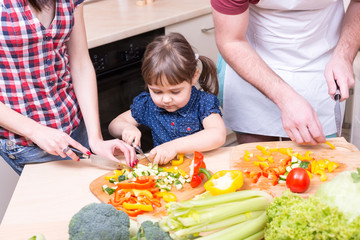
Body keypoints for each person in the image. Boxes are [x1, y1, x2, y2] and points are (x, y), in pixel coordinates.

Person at [0, 0, 137, 175]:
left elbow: (80, 64)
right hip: (27, 141)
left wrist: (96, 139)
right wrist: (36, 131)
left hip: (74, 126)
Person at [211, 0, 360, 145]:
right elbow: (231, 41)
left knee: (317, 161)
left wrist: (344, 55)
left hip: (322, 59)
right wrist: (286, 99)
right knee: (257, 161)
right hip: (253, 62)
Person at [108, 32, 227, 165]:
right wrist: (126, 128)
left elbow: (218, 135)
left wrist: (173, 147)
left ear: (193, 77)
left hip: (202, 169)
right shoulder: (148, 105)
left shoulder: (203, 103)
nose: (166, 100)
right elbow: (114, 125)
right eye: (157, 92)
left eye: (175, 92)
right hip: (168, 173)